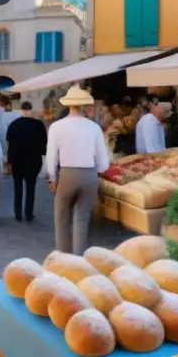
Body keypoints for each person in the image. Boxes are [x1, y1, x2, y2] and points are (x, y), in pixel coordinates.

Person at [46, 85, 110, 254]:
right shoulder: (94, 128)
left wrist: (52, 177)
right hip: (89, 174)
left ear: (67, 105)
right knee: (82, 217)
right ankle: (79, 258)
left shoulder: (56, 127)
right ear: (83, 106)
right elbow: (103, 161)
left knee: (61, 216)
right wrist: (98, 170)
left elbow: (51, 155)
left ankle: (63, 255)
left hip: (67, 173)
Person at [5, 101, 47, 223]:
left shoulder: (14, 125)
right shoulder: (38, 125)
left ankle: (18, 214)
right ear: (31, 110)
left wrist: (9, 161)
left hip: (17, 161)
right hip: (33, 161)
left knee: (17, 188)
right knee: (31, 188)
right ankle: (29, 214)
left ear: (21, 110)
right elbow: (43, 142)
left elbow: (10, 144)